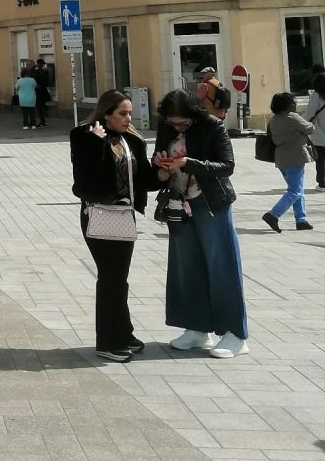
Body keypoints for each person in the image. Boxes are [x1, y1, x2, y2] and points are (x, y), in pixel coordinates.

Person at [151, 89, 247, 357]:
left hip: (210, 202)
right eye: (172, 122)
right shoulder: (166, 126)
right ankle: (196, 328)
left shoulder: (213, 126)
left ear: (193, 114)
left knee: (221, 266)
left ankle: (235, 334)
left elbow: (227, 166)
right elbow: (158, 155)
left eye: (182, 123)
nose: (177, 127)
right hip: (179, 203)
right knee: (186, 267)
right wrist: (160, 165)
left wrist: (189, 163)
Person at [69, 90, 162, 363]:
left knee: (119, 278)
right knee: (110, 277)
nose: (128, 118)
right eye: (122, 113)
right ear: (106, 113)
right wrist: (97, 143)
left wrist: (162, 173)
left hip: (124, 215)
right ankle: (107, 342)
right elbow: (84, 183)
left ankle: (123, 333)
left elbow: (142, 180)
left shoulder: (131, 139)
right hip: (98, 214)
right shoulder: (84, 136)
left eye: (130, 113)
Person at [263, 92, 314, 234]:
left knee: (297, 188)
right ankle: (273, 214)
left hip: (281, 158)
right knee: (295, 190)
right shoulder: (293, 117)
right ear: (287, 105)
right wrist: (310, 122)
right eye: (293, 102)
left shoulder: (274, 120)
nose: (295, 104)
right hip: (295, 157)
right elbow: (310, 128)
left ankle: (301, 220)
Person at [306, 69, 325, 189]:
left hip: (320, 133)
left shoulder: (316, 95)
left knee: (321, 158)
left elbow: (310, 114)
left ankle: (322, 183)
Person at [33, 60, 50, 128]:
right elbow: (47, 82)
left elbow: (36, 81)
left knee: (40, 107)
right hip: (43, 91)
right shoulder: (45, 71)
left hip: (39, 91)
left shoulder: (37, 72)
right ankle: (43, 120)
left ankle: (43, 121)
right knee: (42, 106)